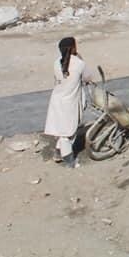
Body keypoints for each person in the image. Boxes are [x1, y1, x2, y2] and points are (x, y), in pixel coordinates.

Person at [44, 37, 96, 168]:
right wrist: (81, 59)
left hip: (57, 100)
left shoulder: (56, 63)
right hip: (70, 102)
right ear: (73, 48)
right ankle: (70, 161)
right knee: (67, 133)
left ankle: (57, 154)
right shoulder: (79, 63)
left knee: (61, 131)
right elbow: (88, 77)